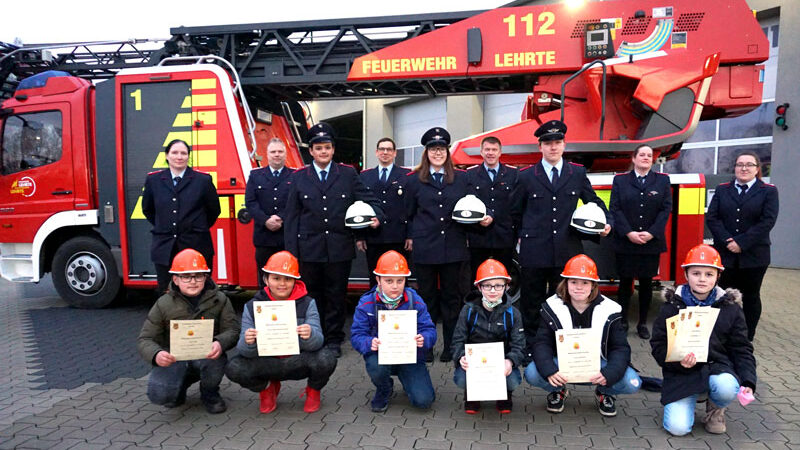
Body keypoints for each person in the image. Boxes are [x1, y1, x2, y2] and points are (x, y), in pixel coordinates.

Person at [284, 122, 384, 358]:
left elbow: (369, 199)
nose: (323, 152)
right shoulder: (299, 177)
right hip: (308, 248)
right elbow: (292, 217)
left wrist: (377, 216)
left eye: (327, 147)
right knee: (312, 296)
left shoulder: (347, 174)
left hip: (339, 248)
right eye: (318, 148)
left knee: (336, 296)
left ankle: (333, 339)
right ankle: (314, 337)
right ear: (311, 151)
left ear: (333, 150)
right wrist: (291, 253)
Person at [512, 120, 611, 352]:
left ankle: (562, 345)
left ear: (564, 145)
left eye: (557, 142)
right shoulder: (526, 176)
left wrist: (607, 222)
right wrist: (517, 243)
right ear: (540, 147)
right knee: (531, 301)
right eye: (548, 143)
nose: (553, 147)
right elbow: (515, 213)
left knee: (565, 300)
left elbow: (594, 202)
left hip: (567, 251)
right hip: (534, 251)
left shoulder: (576, 173)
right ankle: (531, 346)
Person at [650, 244, 756, 435]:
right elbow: (658, 346)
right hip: (682, 374)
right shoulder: (672, 307)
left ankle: (716, 409)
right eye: (696, 273)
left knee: (725, 387)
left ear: (718, 276)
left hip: (718, 369)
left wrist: (748, 380)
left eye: (709, 274)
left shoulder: (730, 308)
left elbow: (741, 348)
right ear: (686, 274)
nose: (702, 279)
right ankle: (692, 396)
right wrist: (679, 363)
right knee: (678, 428)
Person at [524, 254, 640, 417]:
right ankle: (558, 390)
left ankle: (605, 392)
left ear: (593, 285)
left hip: (599, 366)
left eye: (585, 282)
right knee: (532, 373)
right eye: (574, 282)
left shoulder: (610, 309)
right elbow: (542, 343)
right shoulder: (552, 307)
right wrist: (549, 370)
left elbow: (620, 347)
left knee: (631, 382)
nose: (579, 287)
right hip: (562, 365)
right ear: (566, 283)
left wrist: (610, 374)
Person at [225, 251, 336, 413]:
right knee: (234, 367)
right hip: (267, 362)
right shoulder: (252, 306)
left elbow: (318, 341)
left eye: (288, 279)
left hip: (298, 360)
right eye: (276, 278)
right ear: (266, 280)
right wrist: (248, 341)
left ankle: (313, 390)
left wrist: (309, 334)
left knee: (327, 358)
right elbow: (243, 350)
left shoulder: (308, 303)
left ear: (295, 280)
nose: (282, 284)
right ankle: (266, 388)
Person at [137, 249, 239, 414]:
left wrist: (220, 343)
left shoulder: (220, 300)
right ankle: (178, 388)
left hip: (207, 356)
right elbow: (145, 339)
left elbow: (233, 329)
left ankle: (209, 393)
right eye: (186, 276)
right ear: (176, 280)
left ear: (205, 278)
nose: (193, 281)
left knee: (215, 362)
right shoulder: (163, 304)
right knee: (159, 395)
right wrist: (156, 355)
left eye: (198, 276)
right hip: (175, 359)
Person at [405, 127, 471, 362]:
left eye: (441, 149)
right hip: (426, 248)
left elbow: (473, 206)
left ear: (447, 151)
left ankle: (451, 347)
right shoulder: (414, 180)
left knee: (452, 300)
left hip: (453, 247)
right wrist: (411, 237)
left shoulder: (462, 178)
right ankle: (427, 346)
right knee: (427, 299)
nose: (437, 153)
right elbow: (409, 214)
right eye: (433, 149)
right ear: (426, 152)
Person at [350, 250, 437, 412]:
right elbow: (356, 335)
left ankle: (408, 379)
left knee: (424, 401)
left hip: (410, 357)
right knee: (375, 364)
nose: (395, 286)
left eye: (400, 280)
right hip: (381, 356)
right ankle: (384, 387)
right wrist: (370, 343)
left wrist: (424, 339)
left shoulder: (415, 300)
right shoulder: (366, 303)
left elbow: (430, 329)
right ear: (378, 280)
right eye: (389, 281)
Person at [706, 151, 779, 341]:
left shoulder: (769, 191)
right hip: (725, 253)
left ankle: (746, 337)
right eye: (740, 164)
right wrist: (728, 241)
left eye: (749, 165)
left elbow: (767, 221)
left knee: (751, 297)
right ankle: (722, 335)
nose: (744, 168)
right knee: (723, 296)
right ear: (735, 168)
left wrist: (742, 243)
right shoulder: (723, 190)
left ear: (757, 169)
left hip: (754, 255)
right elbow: (712, 218)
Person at [609, 145, 672, 339]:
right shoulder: (620, 180)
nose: (646, 158)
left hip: (650, 243)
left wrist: (652, 233)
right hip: (626, 241)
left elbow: (665, 209)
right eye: (642, 155)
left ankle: (643, 323)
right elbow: (615, 208)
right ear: (634, 158)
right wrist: (628, 232)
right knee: (625, 284)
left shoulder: (662, 180)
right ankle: (623, 322)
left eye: (649, 155)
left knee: (646, 285)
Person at [142, 139, 220, 293]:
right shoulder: (154, 180)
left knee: (198, 290)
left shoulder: (203, 180)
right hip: (165, 246)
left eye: (183, 153)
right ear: (166, 156)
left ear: (188, 156)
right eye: (175, 153)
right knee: (167, 291)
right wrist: (166, 226)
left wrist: (194, 227)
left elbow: (213, 210)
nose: (179, 157)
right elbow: (148, 209)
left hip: (196, 244)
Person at [451, 259, 526, 414]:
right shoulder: (468, 311)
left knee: (513, 381)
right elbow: (457, 340)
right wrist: (461, 357)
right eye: (487, 285)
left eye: (498, 285)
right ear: (479, 287)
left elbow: (519, 345)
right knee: (460, 378)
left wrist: (510, 361)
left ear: (507, 286)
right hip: (474, 365)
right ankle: (472, 395)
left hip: (501, 364)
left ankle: (505, 395)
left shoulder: (513, 313)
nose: (493, 290)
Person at [357, 137, 411, 287]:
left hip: (398, 237)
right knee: (375, 278)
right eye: (382, 149)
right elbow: (360, 205)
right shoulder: (365, 176)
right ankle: (375, 308)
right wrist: (360, 236)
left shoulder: (406, 175)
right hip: (374, 237)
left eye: (389, 149)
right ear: (376, 152)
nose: (385, 152)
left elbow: (411, 207)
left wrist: (410, 235)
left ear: (394, 153)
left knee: (399, 278)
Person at [245, 137, 296, 289]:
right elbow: (251, 202)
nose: (277, 154)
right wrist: (265, 220)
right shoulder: (255, 175)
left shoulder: (295, 175)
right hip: (264, 237)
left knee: (288, 276)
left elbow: (296, 203)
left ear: (285, 154)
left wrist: (281, 217)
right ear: (266, 154)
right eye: (273, 151)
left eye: (280, 151)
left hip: (286, 236)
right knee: (265, 279)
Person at [465, 136, 519, 279]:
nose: (490, 153)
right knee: (477, 279)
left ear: (500, 152)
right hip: (478, 237)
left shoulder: (513, 174)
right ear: (481, 152)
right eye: (487, 149)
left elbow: (517, 205)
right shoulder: (469, 175)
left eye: (494, 150)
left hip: (504, 238)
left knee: (503, 277)